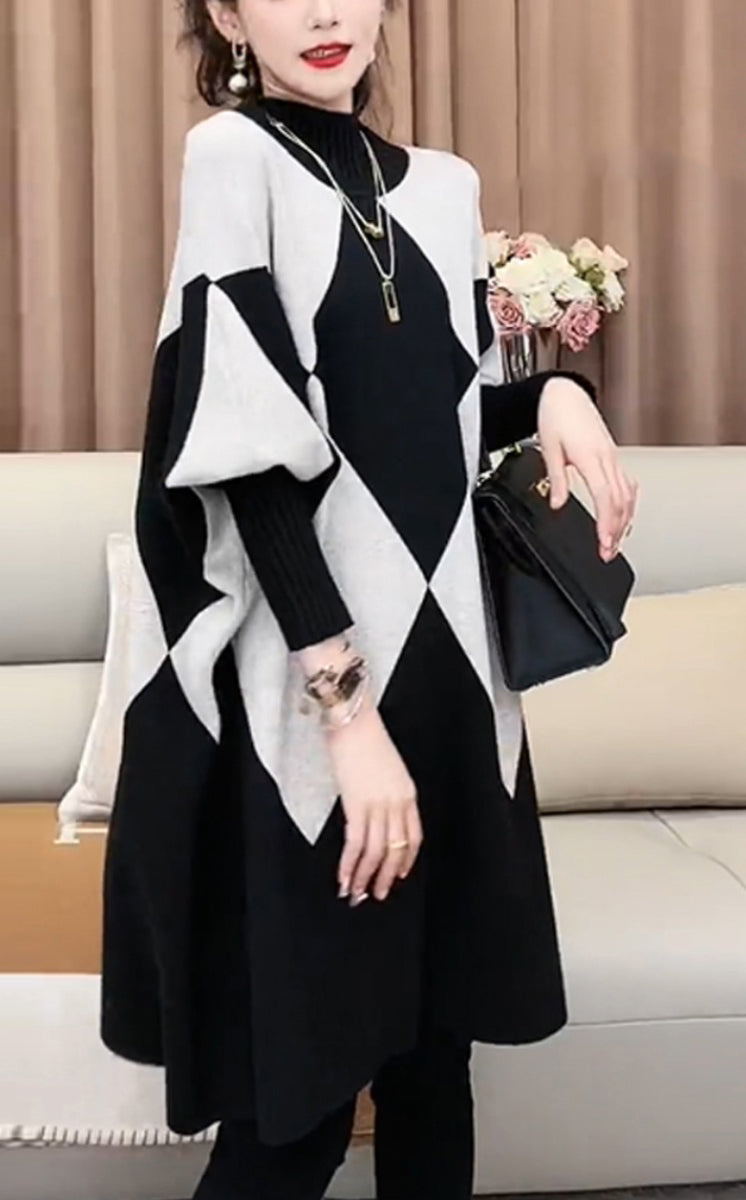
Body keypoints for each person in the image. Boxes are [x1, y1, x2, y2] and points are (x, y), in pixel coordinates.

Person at [99, 2, 639, 1198]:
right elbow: (246, 454)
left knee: (435, 1078)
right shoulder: (233, 158)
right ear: (228, 14)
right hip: (320, 702)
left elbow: (439, 420)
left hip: (456, 691)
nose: (325, 11)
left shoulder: (446, 188)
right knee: (295, 1113)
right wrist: (348, 721)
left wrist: (556, 395)